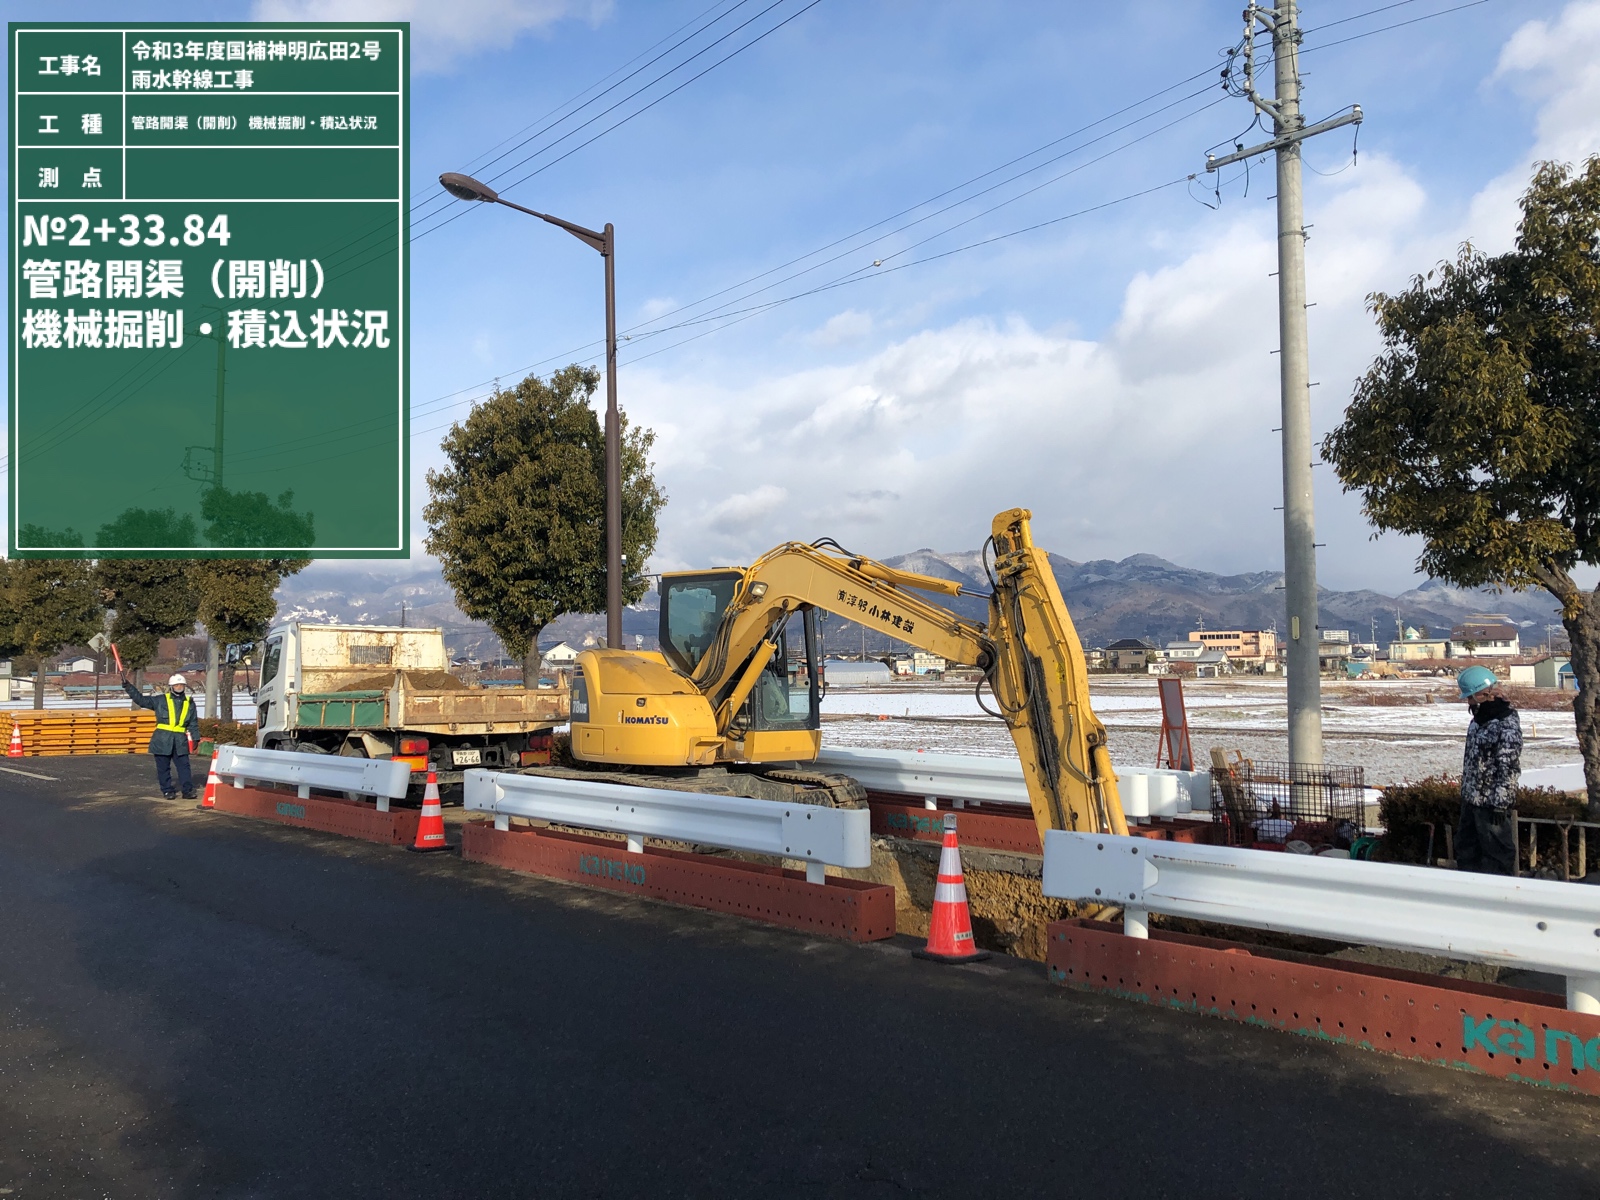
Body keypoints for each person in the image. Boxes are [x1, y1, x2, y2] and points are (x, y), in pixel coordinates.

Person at [1455, 665, 1521, 874]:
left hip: (1492, 805)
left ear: (1483, 694)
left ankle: (1499, 899)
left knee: (1497, 857)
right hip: (1471, 800)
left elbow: (1508, 766)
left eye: (1470, 697)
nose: (1469, 702)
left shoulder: (1505, 724)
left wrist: (1501, 803)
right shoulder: (1477, 721)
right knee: (1466, 853)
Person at [124, 672, 201, 800]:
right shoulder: (160, 700)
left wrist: (196, 737)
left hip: (179, 741)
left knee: (184, 767)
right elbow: (141, 700)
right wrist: (129, 687)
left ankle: (187, 791)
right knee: (163, 768)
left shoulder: (189, 702)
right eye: (176, 685)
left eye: (181, 684)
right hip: (162, 740)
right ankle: (167, 790)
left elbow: (193, 722)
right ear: (171, 686)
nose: (179, 687)